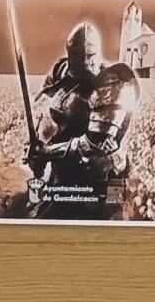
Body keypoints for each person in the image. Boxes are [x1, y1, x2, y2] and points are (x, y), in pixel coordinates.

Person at [20, 20, 136, 220]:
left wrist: (46, 152)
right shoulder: (61, 71)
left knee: (105, 225)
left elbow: (93, 144)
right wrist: (35, 148)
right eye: (77, 56)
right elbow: (45, 114)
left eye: (89, 56)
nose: (84, 61)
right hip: (64, 168)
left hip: (102, 173)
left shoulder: (113, 84)